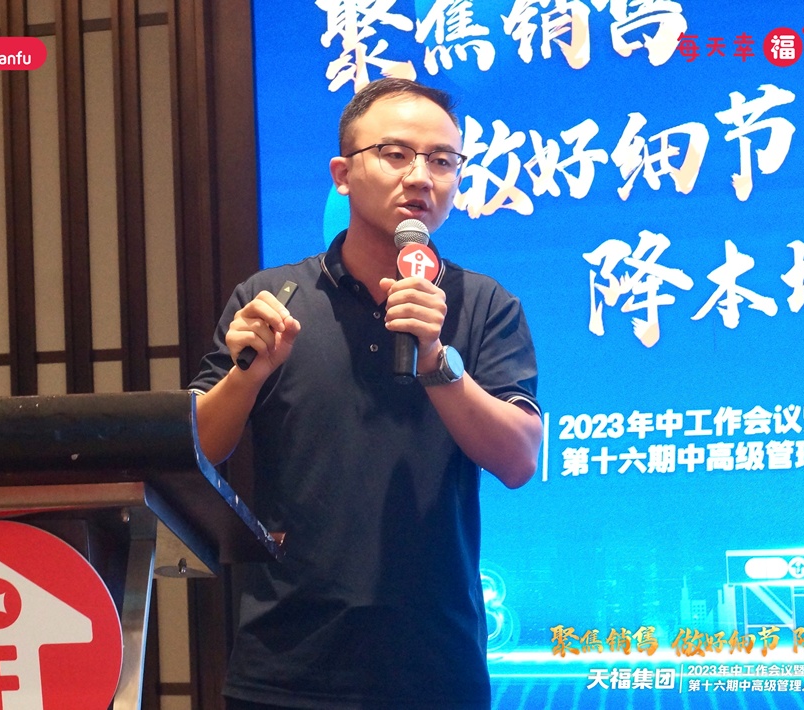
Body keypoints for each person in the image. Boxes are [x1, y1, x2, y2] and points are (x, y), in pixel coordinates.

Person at [189, 78, 542, 710]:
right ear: (343, 174)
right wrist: (248, 374)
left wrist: (437, 360)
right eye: (396, 154)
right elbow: (196, 450)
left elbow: (519, 460)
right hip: (286, 665)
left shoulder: (485, 305)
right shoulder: (272, 300)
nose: (421, 178)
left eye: (443, 161)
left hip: (435, 665)